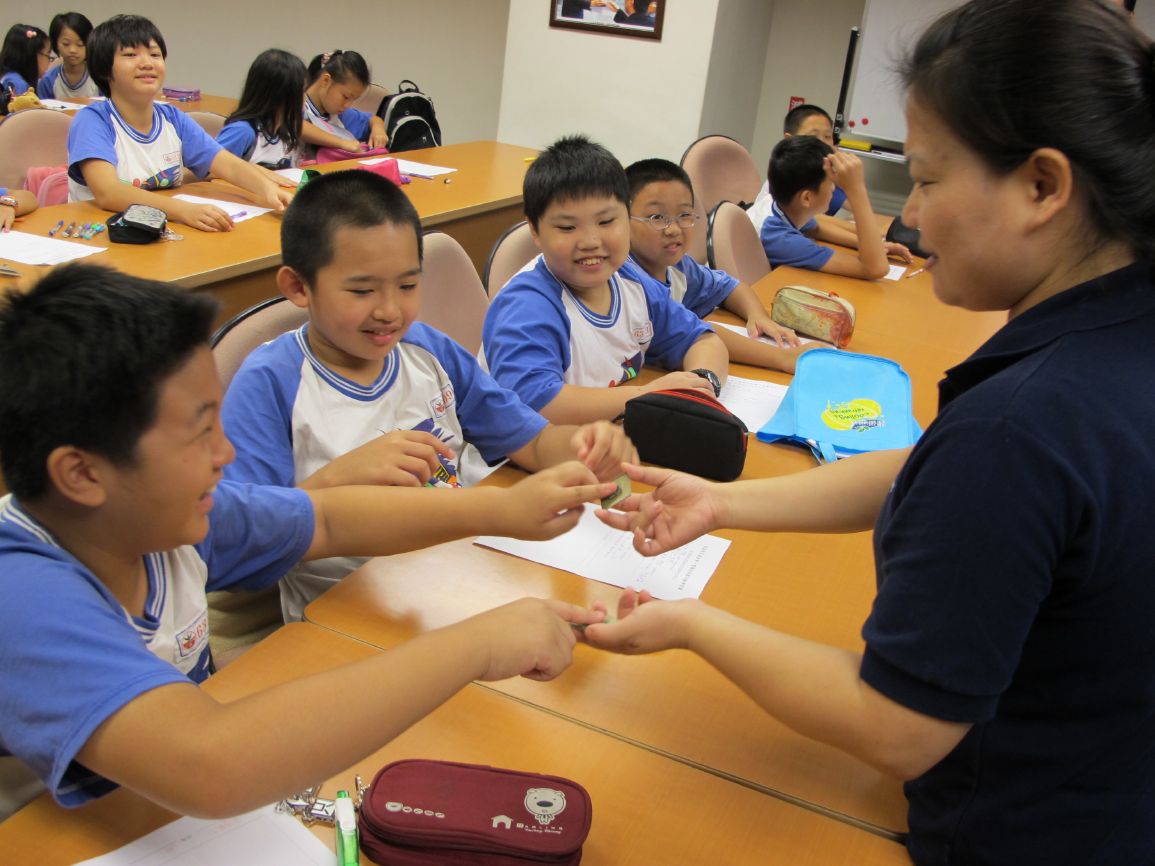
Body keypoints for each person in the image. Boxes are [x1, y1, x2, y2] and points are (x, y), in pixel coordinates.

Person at [586, 1, 1155, 863]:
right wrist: (723, 504)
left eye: (926, 179)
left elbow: (895, 726)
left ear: (1042, 186)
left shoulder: (1017, 431)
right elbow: (926, 469)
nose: (910, 217)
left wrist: (691, 625)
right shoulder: (1112, 340)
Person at [0, 262, 612, 821]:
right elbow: (210, 765)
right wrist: (479, 644)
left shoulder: (151, 518)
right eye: (199, 434)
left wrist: (503, 509)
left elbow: (328, 520)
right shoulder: (22, 594)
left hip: (165, 815)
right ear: (82, 474)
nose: (226, 453)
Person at [221, 169, 637, 621]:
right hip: (348, 610)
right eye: (362, 290)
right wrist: (337, 479)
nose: (389, 310)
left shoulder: (426, 348)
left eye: (407, 285)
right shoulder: (270, 383)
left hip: (464, 571)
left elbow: (532, 442)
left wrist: (582, 446)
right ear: (298, 287)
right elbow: (237, 549)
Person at [481, 135, 730, 425]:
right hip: (529, 450)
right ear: (535, 230)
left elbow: (702, 339)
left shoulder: (629, 279)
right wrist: (648, 396)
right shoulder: (527, 306)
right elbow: (536, 403)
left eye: (606, 222)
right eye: (567, 227)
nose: (590, 241)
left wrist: (701, 384)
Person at [66, 15, 294, 231]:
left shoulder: (172, 118)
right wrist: (182, 211)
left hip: (163, 230)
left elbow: (226, 163)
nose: (147, 63)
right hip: (102, 232)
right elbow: (109, 193)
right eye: (131, 55)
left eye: (155, 54)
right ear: (104, 69)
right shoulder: (93, 120)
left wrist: (268, 190)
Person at [625, 157, 814, 373]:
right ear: (621, 219)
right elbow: (696, 332)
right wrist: (783, 358)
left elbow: (728, 286)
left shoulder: (677, 266)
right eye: (657, 217)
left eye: (684, 215)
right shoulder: (630, 280)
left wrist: (758, 316)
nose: (674, 229)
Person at [757, 135, 910, 278]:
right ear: (807, 198)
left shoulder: (785, 210)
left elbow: (817, 227)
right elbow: (875, 268)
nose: (834, 188)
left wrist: (876, 246)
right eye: (830, 182)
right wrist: (856, 191)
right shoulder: (782, 241)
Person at [217, 49, 307, 171]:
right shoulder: (243, 132)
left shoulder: (285, 131)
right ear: (280, 95)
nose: (305, 97)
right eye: (302, 91)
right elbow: (207, 172)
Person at [300, 50, 387, 160]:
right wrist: (342, 143)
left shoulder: (339, 114)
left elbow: (372, 119)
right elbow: (296, 126)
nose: (348, 105)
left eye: (354, 99)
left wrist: (378, 129)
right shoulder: (296, 104)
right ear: (326, 80)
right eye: (346, 97)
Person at [36, 12, 98, 100]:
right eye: (66, 44)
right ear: (56, 44)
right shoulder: (48, 81)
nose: (73, 50)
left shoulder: (99, 78)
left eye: (80, 44)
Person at [0, 23, 50, 97]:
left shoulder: (7, 77)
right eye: (48, 55)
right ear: (32, 56)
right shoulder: (19, 85)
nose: (49, 61)